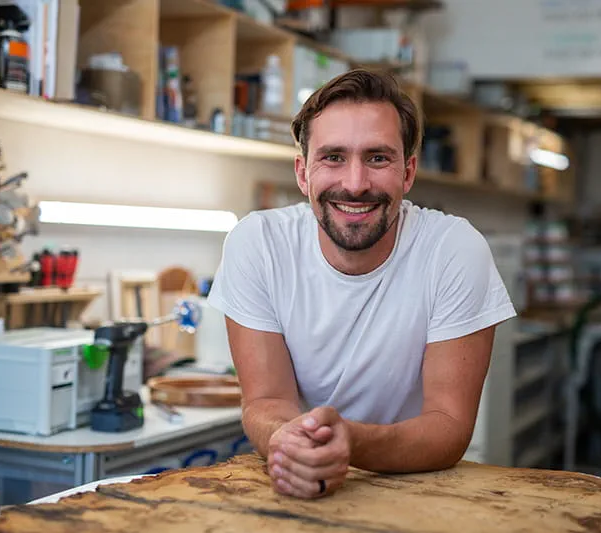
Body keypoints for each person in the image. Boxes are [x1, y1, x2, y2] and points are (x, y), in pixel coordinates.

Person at [207, 69, 516, 500]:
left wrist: (350, 441)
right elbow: (266, 402)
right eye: (333, 157)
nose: (355, 184)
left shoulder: (454, 250)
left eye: (377, 158)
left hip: (416, 492)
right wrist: (289, 441)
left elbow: (449, 425)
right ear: (303, 174)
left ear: (407, 173)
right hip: (301, 487)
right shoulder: (258, 243)